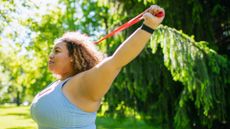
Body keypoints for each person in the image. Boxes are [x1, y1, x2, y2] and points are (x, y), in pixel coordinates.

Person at [30, 5, 165, 129]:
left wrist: (149, 26)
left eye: (57, 51)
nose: (50, 55)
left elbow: (116, 61)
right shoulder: (58, 84)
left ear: (73, 57)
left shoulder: (82, 83)